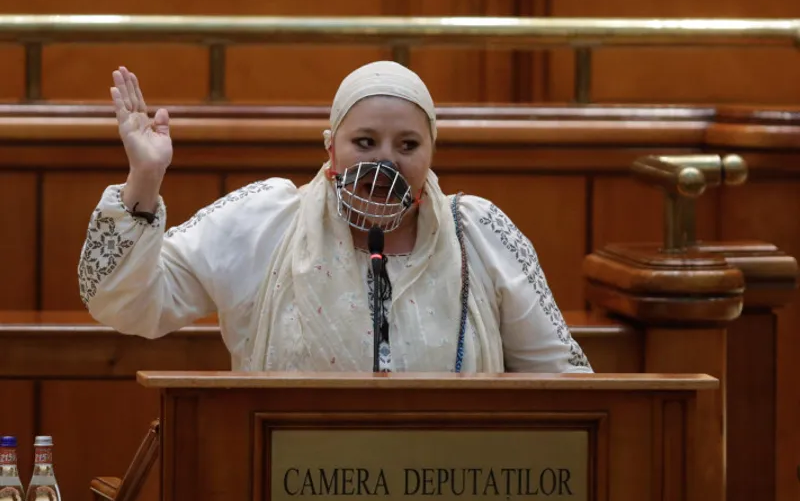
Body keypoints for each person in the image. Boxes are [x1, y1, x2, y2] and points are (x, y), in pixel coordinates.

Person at [78, 61, 592, 374]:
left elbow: (562, 380)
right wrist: (144, 178)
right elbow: (128, 306)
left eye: (407, 145)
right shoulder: (266, 221)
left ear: (432, 152)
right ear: (331, 147)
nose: (384, 160)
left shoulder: (479, 235)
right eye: (365, 142)